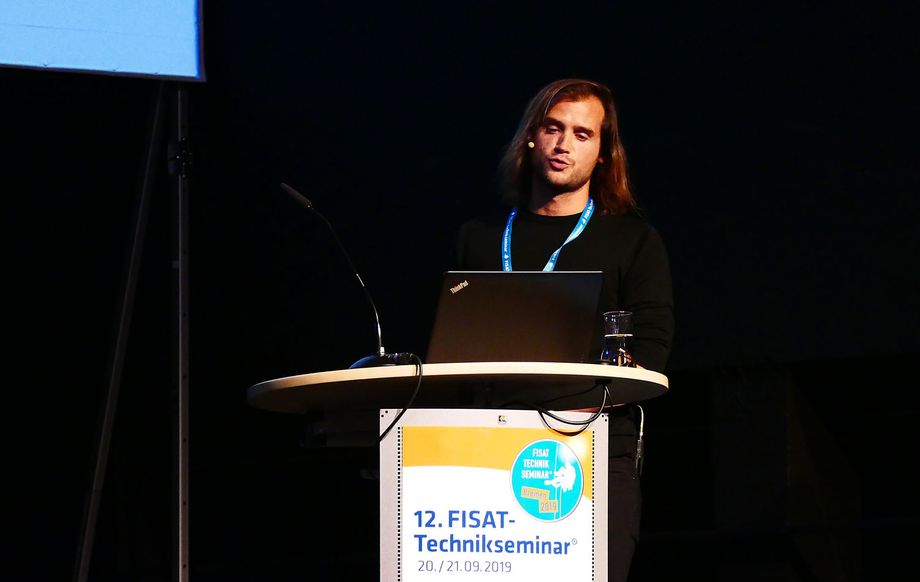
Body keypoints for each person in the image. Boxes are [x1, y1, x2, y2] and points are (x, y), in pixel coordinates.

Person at [454, 78, 675, 582]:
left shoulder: (632, 242)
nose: (563, 145)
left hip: (588, 454)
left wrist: (561, 412)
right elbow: (452, 357)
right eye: (553, 128)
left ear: (603, 154)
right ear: (532, 137)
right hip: (484, 453)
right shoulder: (478, 239)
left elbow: (651, 356)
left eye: (582, 134)